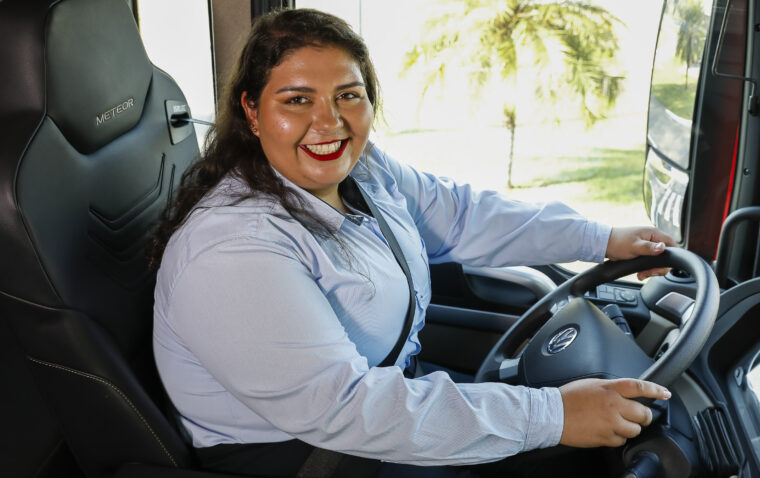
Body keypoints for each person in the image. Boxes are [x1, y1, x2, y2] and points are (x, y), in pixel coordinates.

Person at [150, 7, 676, 477]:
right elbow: (348, 409)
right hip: (309, 454)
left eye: (348, 96)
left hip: (383, 399)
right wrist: (556, 415)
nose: (328, 122)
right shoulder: (233, 249)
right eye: (297, 100)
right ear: (251, 111)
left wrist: (602, 238)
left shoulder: (364, 169)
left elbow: (462, 215)